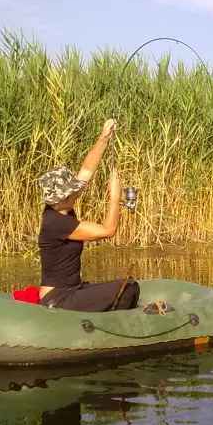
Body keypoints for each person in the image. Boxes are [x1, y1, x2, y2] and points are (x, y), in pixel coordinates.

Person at [37, 119, 140, 312]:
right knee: (129, 287)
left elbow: (86, 170)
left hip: (72, 290)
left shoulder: (60, 206)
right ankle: (113, 329)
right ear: (62, 196)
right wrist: (114, 196)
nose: (75, 193)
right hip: (58, 298)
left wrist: (104, 138)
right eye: (71, 192)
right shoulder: (56, 222)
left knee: (124, 287)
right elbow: (107, 230)